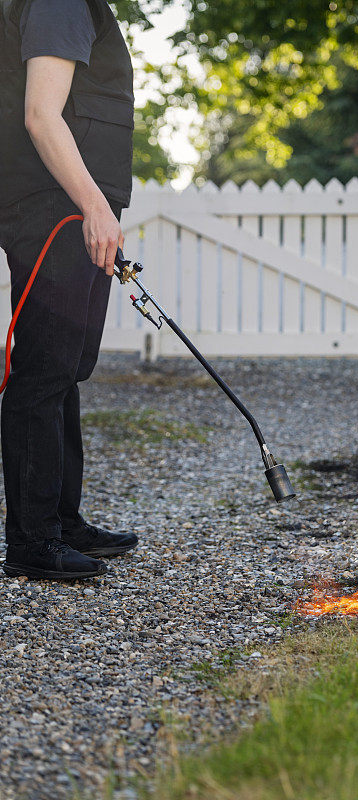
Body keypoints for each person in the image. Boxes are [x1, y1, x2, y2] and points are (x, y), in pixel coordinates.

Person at [0, 0, 138, 579]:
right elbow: (41, 115)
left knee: (65, 368)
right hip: (57, 207)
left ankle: (61, 520)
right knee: (43, 370)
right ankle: (34, 542)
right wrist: (94, 206)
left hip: (66, 208)